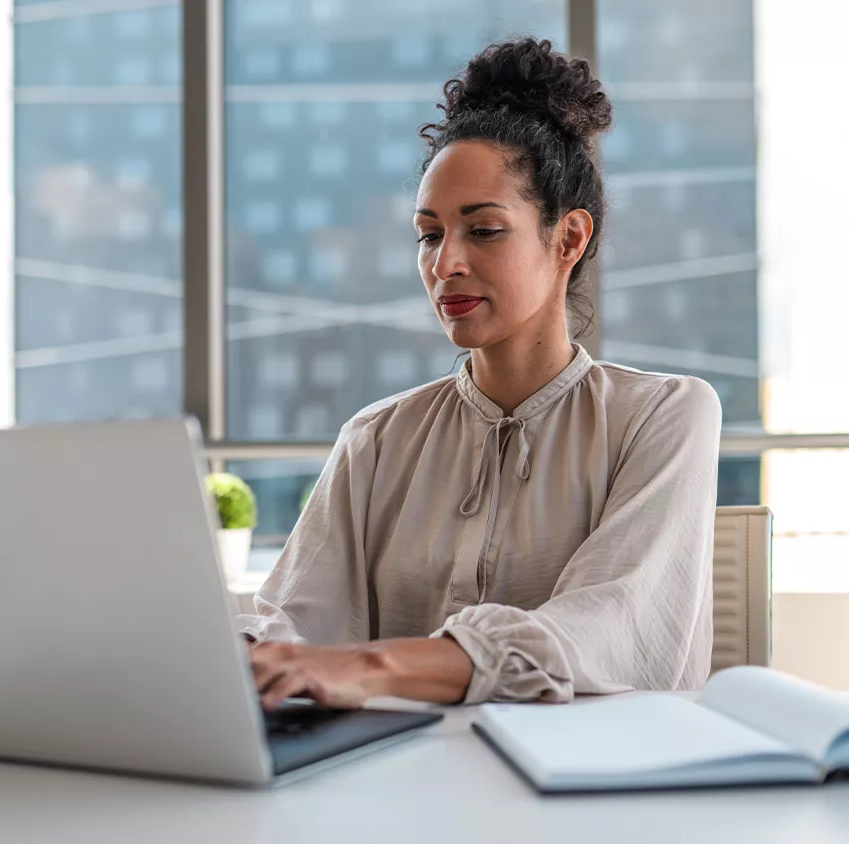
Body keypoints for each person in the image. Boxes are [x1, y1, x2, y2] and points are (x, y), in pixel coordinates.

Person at [241, 37, 721, 709]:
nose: (446, 264)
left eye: (484, 230)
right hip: (403, 789)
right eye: (429, 234)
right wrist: (237, 655)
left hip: (598, 797)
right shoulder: (375, 438)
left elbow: (611, 628)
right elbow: (294, 622)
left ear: (568, 239)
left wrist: (374, 667)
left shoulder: (665, 415)